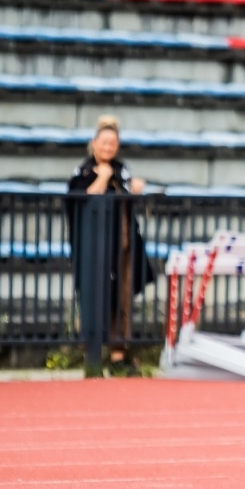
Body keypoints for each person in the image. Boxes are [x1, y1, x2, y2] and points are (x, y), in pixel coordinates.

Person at [67, 116, 152, 373]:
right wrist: (101, 179)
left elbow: (126, 200)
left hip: (122, 247)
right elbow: (78, 201)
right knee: (94, 297)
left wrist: (135, 190)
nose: (108, 148)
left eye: (113, 143)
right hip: (94, 250)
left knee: (122, 299)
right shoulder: (83, 171)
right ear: (94, 144)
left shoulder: (122, 169)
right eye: (103, 143)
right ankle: (91, 356)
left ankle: (118, 355)